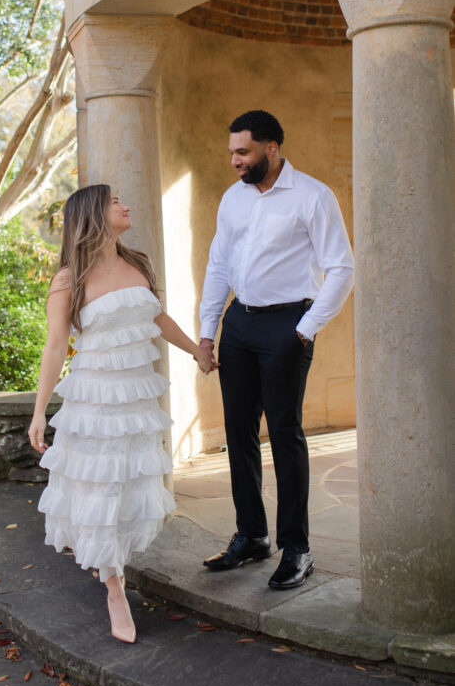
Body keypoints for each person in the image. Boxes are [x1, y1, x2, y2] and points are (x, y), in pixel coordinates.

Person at [28, 184, 212, 643]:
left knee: (129, 487)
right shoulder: (69, 279)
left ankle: (114, 570)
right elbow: (54, 348)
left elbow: (156, 317)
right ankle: (115, 589)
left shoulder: (138, 265)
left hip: (136, 401)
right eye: (115, 202)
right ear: (93, 214)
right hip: (95, 403)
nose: (126, 206)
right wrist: (38, 413)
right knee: (104, 491)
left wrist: (196, 352)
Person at [199, 110, 353, 589]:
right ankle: (252, 536)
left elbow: (342, 269)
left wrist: (304, 330)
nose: (235, 161)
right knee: (239, 433)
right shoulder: (232, 198)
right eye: (231, 152)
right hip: (239, 324)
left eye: (242, 152)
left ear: (271, 147)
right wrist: (208, 331)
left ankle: (297, 549)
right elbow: (218, 264)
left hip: (288, 324)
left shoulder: (312, 196)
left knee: (285, 434)